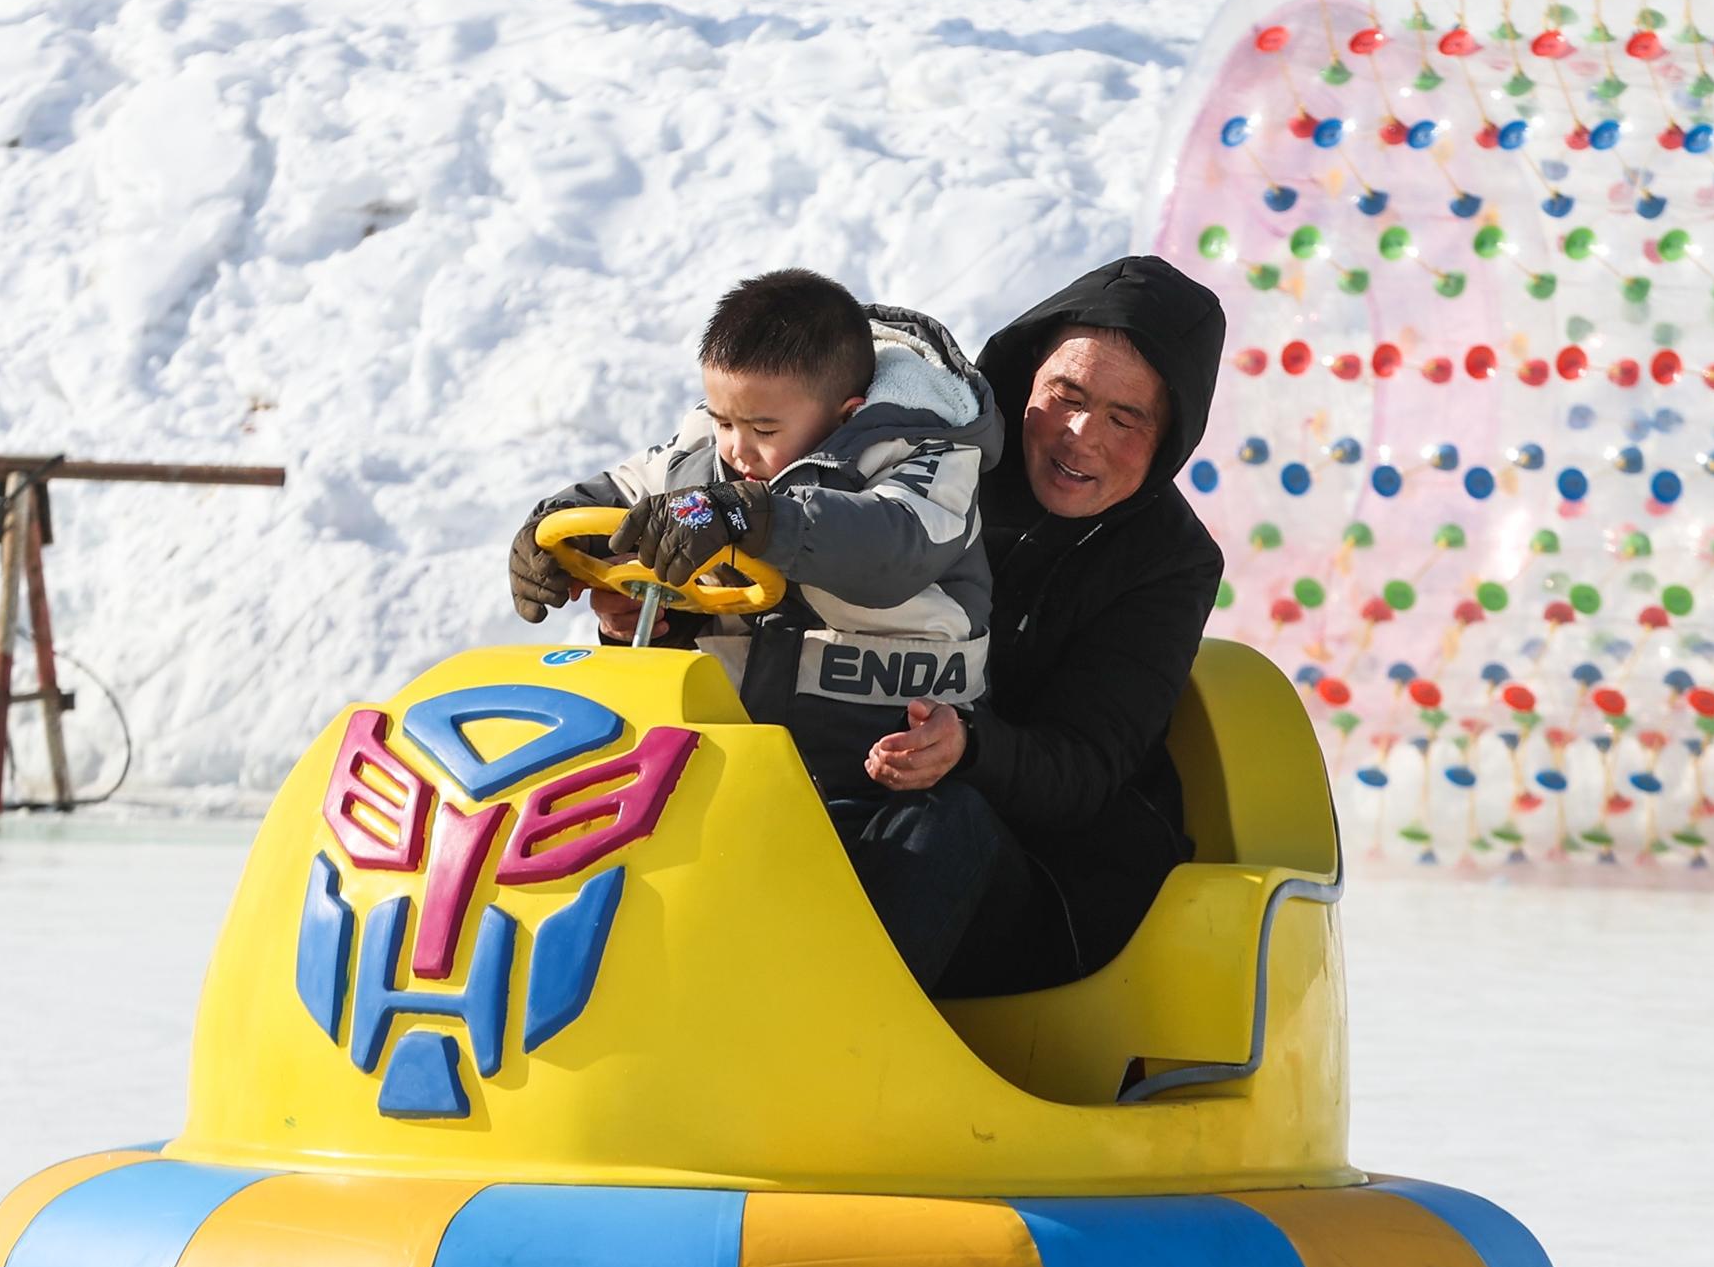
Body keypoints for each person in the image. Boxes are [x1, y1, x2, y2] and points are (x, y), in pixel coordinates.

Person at [505, 269, 999, 981]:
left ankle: (858, 1032)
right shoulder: (706, 456)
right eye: (724, 421)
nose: (736, 450)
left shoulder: (926, 461)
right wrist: (546, 532)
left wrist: (753, 516)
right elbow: (621, 492)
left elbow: (892, 545)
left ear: (844, 412)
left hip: (877, 777)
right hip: (738, 772)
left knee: (944, 835)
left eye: (764, 429)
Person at [851, 255, 1227, 996]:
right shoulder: (927, 463)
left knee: (940, 823)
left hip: (1034, 875)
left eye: (1126, 418)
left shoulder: (1169, 561)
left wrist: (969, 746)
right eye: (1067, 394)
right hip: (856, 785)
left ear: (1169, 436)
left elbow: (1084, 768)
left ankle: (828, 1071)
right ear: (1028, 379)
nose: (1080, 435)